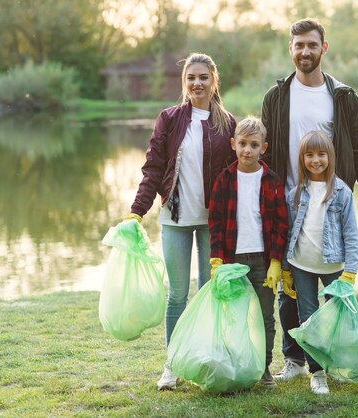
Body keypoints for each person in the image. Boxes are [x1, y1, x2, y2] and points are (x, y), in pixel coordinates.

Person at [260, 18, 358, 384]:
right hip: (288, 204)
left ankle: (336, 361)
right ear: (290, 49)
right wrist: (266, 202)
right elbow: (266, 157)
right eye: (298, 46)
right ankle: (295, 360)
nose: (305, 52)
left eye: (311, 45)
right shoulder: (277, 97)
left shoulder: (343, 96)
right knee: (291, 289)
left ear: (324, 48)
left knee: (337, 292)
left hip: (332, 203)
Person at [123, 53, 236, 390]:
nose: (197, 83)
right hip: (174, 218)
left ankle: (202, 359)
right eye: (191, 78)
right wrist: (136, 211)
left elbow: (239, 173)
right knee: (177, 295)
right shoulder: (169, 119)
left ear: (214, 80)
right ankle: (171, 364)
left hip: (212, 223)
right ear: (184, 82)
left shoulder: (227, 124)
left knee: (208, 292)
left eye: (203, 77)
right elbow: (154, 168)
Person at [284, 131, 358, 395]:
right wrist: (286, 270)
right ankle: (318, 373)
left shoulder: (342, 192)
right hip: (302, 266)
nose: (316, 160)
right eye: (309, 155)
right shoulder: (295, 194)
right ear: (302, 159)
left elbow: (351, 235)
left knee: (350, 320)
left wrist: (350, 271)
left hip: (335, 269)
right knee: (309, 320)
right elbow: (289, 233)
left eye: (321, 154)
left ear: (330, 157)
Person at [208, 117, 288, 388]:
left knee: (265, 317)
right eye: (242, 144)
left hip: (263, 261)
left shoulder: (272, 181)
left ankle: (263, 368)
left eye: (254, 145)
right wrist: (217, 260)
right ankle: (238, 365)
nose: (247, 150)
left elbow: (280, 225)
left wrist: (276, 262)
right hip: (233, 261)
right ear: (233, 144)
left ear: (263, 148)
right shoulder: (224, 180)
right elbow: (216, 223)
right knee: (235, 316)